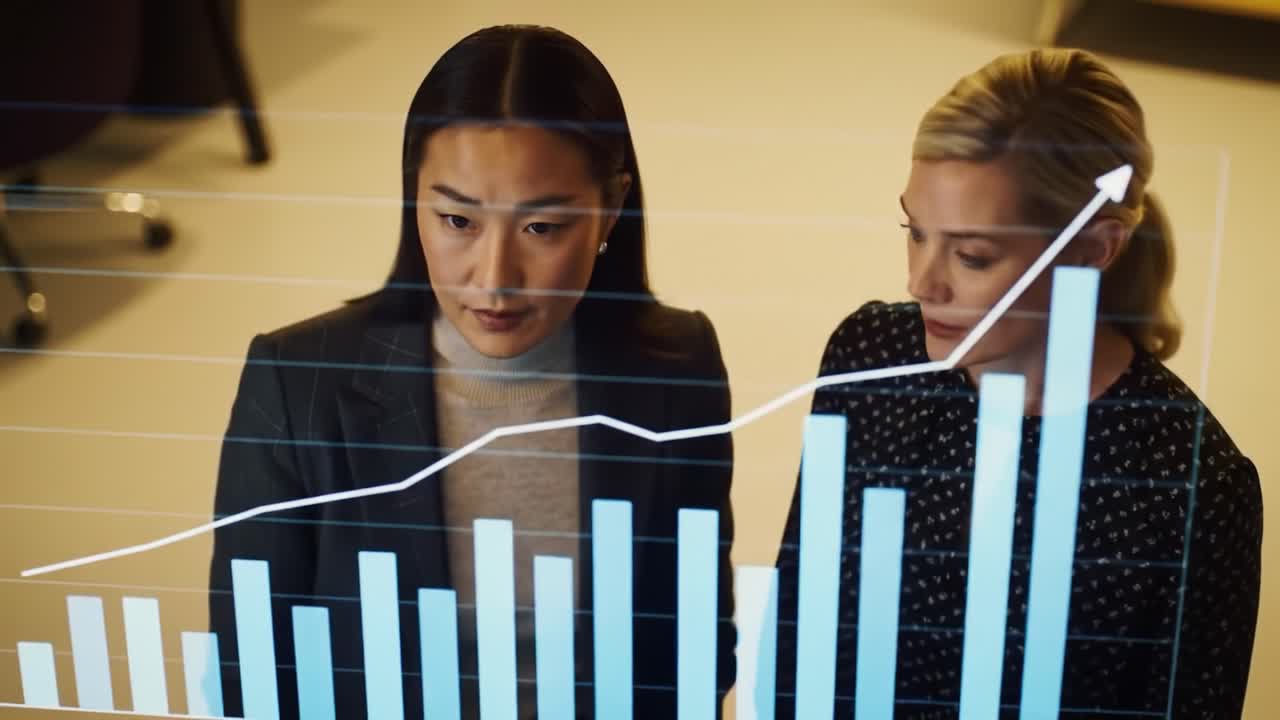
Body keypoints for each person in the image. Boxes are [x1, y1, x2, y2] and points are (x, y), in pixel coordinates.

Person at [208, 25, 736, 719]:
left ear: (610, 210)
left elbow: (695, 653)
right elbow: (251, 678)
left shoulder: (678, 366)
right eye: (457, 220)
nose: (494, 280)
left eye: (541, 229)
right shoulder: (296, 381)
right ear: (414, 201)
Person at [773, 48, 1261, 719]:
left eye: (973, 255)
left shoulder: (1197, 483)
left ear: (1093, 249)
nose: (922, 283)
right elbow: (797, 637)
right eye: (914, 233)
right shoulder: (870, 360)